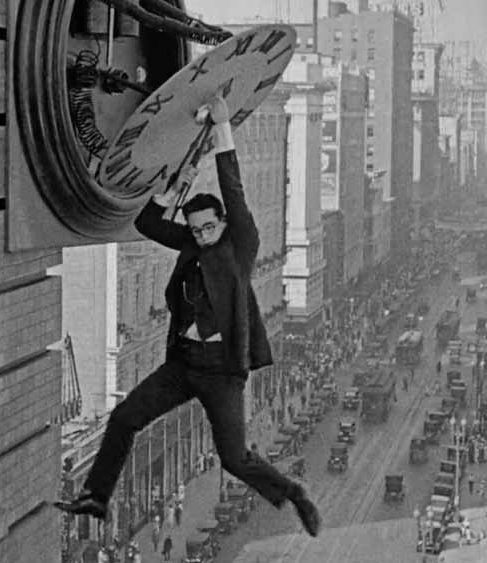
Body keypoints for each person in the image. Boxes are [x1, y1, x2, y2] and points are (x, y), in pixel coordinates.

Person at [54, 96, 321, 538]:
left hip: (222, 373)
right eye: (195, 229)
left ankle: (293, 495)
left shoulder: (242, 247)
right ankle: (96, 498)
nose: (201, 234)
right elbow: (149, 224)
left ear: (223, 223)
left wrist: (222, 128)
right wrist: (178, 186)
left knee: (234, 458)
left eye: (208, 227)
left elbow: (232, 190)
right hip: (183, 365)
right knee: (124, 419)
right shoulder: (191, 246)